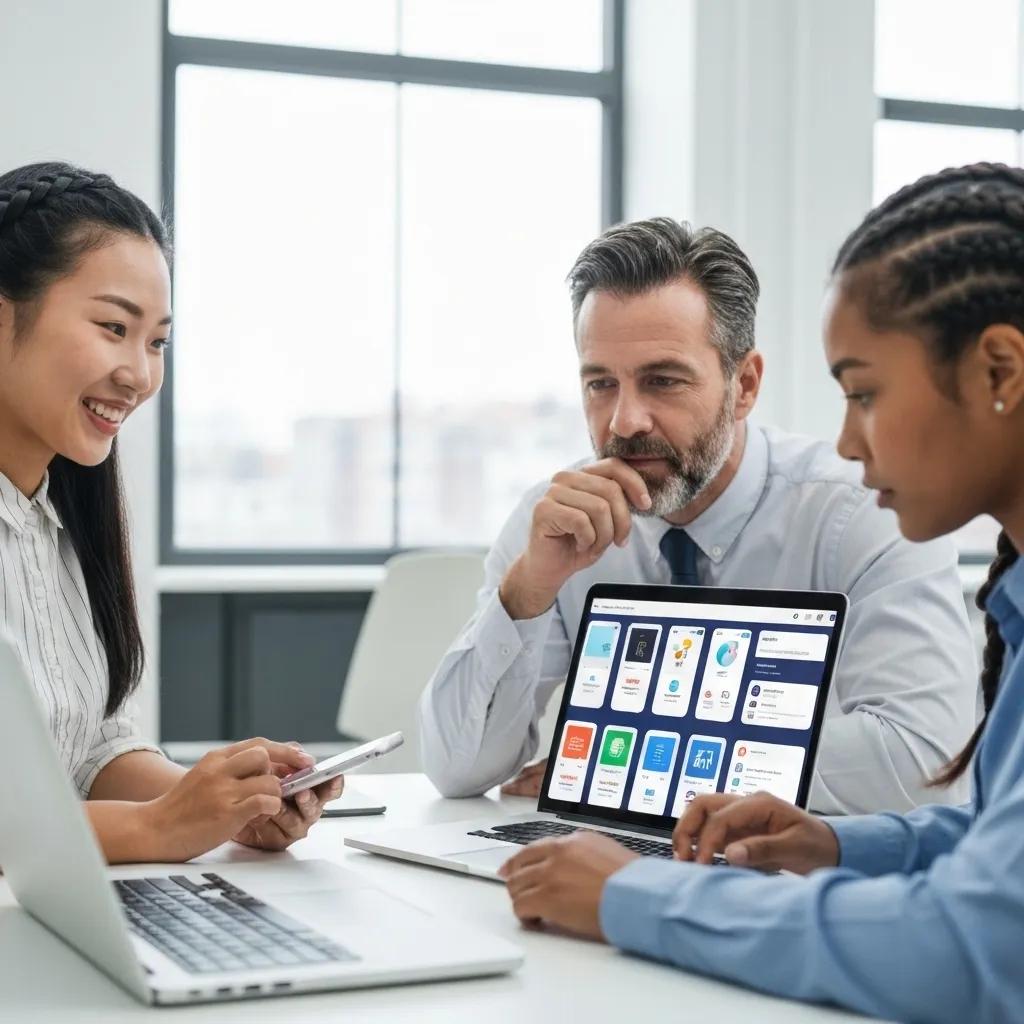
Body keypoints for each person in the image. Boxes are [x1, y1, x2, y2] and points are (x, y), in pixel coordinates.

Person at [500, 162, 1024, 1024]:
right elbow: (999, 843)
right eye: (600, 382)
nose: (847, 442)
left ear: (999, 371)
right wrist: (833, 842)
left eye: (865, 393)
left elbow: (974, 944)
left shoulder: (846, 513)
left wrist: (637, 895)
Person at [419, 217, 976, 814]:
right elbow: (457, 768)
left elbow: (925, 766)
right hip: (601, 849)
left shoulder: (867, 511)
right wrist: (527, 592)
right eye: (601, 383)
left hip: (795, 862)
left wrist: (629, 766)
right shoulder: (556, 521)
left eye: (663, 381)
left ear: (745, 386)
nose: (625, 421)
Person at [0, 161, 341, 864]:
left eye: (157, 342)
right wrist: (156, 828)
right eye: (113, 327)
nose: (140, 374)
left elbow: (90, 750)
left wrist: (217, 804)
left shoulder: (58, 525)